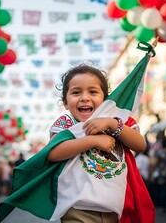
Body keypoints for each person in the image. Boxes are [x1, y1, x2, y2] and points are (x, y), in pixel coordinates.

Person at [47, 64, 149, 223]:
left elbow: (140, 145)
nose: (84, 97)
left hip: (116, 210)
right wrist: (92, 140)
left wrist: (114, 125)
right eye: (76, 92)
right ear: (66, 102)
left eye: (93, 92)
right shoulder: (67, 122)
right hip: (77, 210)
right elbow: (53, 153)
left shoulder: (118, 119)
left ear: (105, 100)